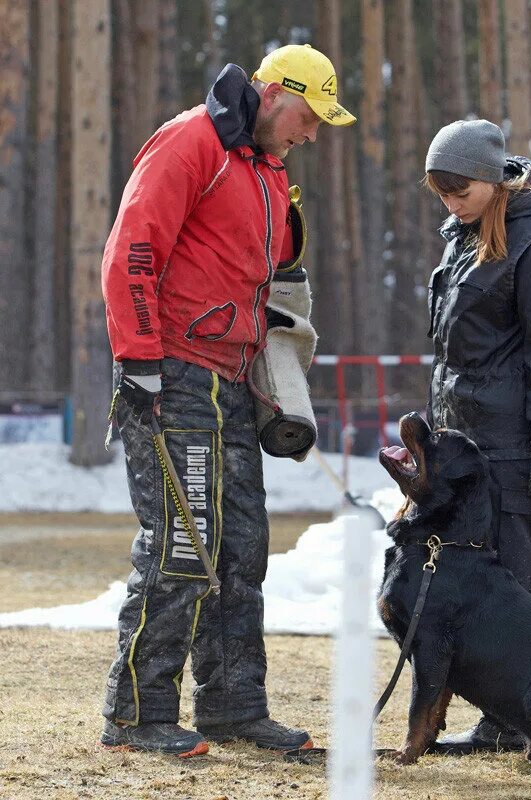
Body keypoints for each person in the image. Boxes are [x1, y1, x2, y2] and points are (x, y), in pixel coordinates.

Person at [99, 44, 355, 757]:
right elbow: (133, 251)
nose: (311, 135)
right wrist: (140, 357)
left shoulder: (269, 170)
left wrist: (282, 385)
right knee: (183, 544)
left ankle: (234, 707)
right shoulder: (192, 142)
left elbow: (269, 287)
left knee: (242, 550)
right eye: (308, 118)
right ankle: (135, 715)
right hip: (171, 372)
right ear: (273, 93)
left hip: (234, 382)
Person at [422, 120, 531, 751]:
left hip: (514, 449)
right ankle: (497, 719)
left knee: (515, 586)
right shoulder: (461, 240)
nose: (450, 201)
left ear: (492, 181)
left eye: (459, 189)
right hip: (461, 445)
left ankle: (522, 723)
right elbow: (452, 353)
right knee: (468, 584)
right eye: (440, 191)